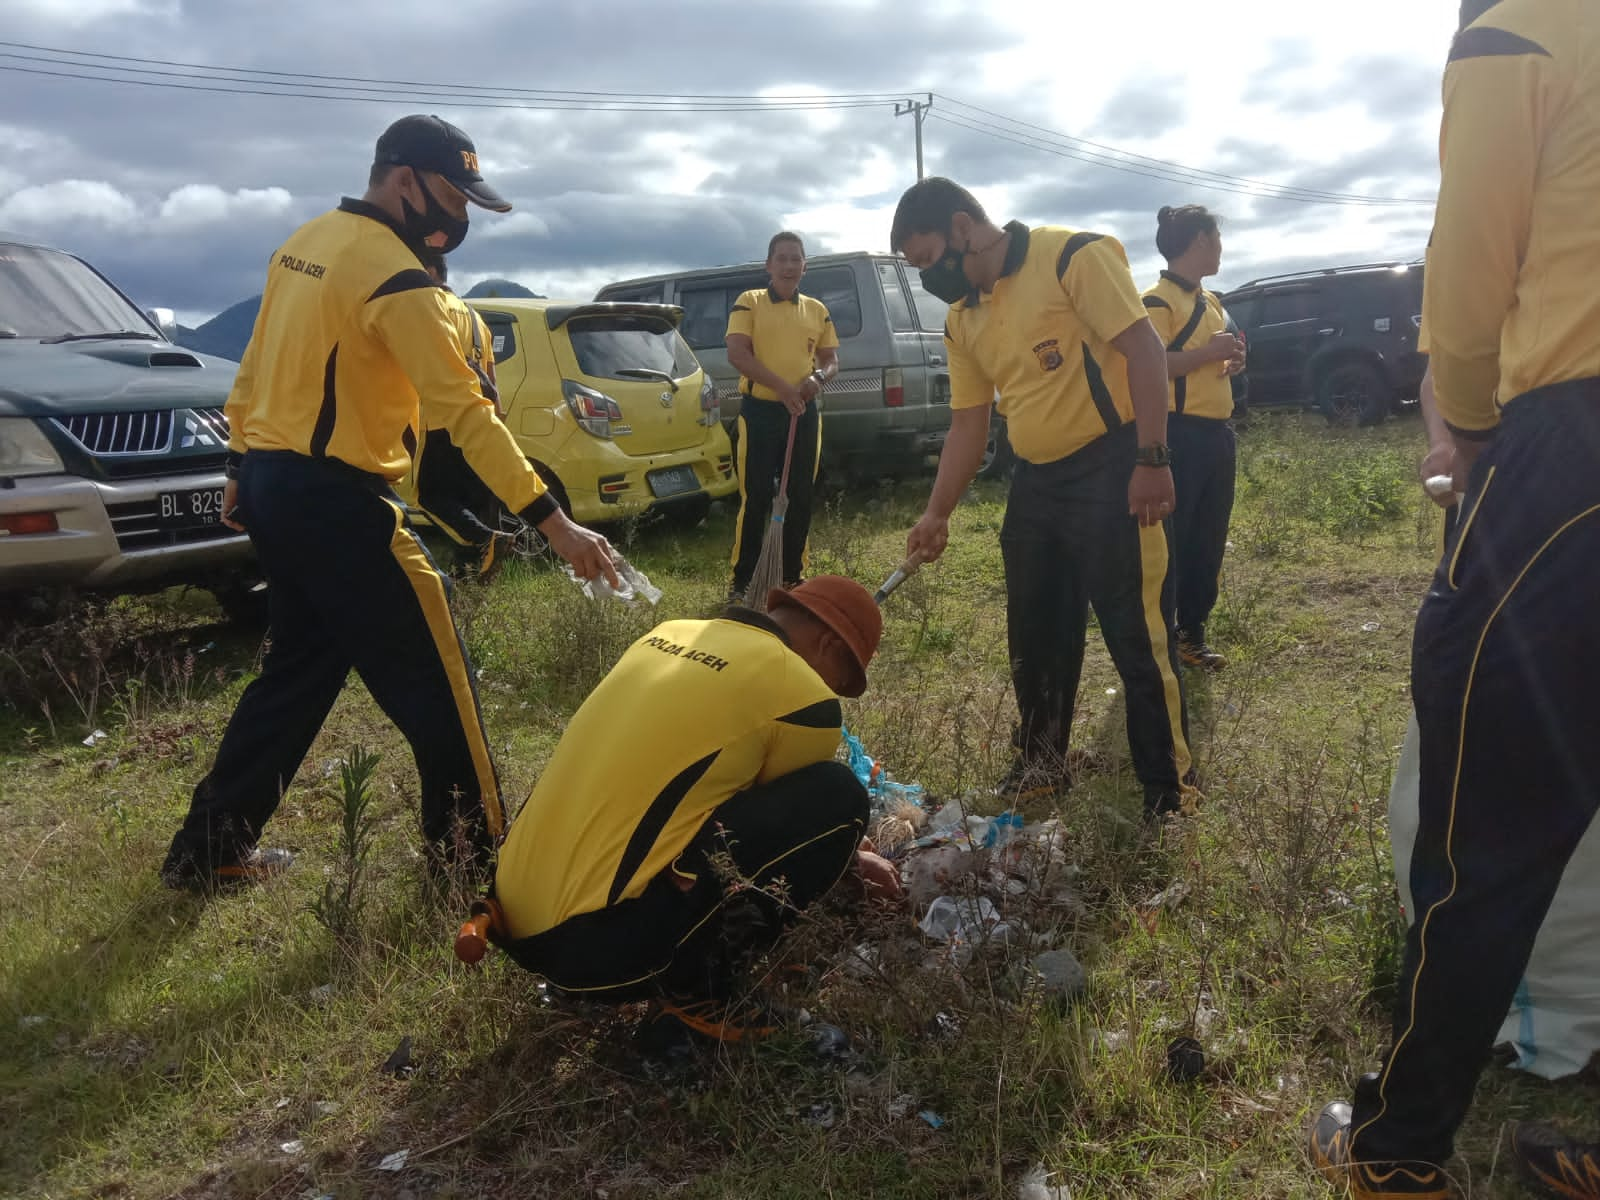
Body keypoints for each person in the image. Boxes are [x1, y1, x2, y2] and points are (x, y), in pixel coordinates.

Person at [159, 114, 617, 892]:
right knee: (441, 684)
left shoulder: (303, 244)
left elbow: (257, 365)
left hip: (276, 485)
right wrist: (555, 521)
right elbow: (468, 416)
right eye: (451, 194)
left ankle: (210, 851)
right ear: (403, 180)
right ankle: (474, 867)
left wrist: (242, 465)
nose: (460, 216)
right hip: (342, 503)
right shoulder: (396, 275)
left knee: (297, 675)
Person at [1310, 2, 1600, 1197]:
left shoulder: (1520, 26)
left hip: (1572, 454)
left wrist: (1465, 436)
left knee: (1482, 822)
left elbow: (1469, 276)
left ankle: (1400, 1143)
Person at [483, 575, 901, 1045]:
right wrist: (851, 854)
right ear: (828, 646)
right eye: (838, 681)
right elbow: (787, 825)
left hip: (508, 919)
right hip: (594, 953)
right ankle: (699, 991)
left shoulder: (666, 634)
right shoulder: (803, 695)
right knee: (840, 796)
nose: (831, 692)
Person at [891, 177, 1194, 816]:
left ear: (962, 228)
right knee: (1036, 632)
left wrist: (1152, 458)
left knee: (1138, 635)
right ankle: (1042, 765)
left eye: (928, 260)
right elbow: (969, 425)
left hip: (1114, 465)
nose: (929, 278)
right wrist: (936, 513)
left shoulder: (1071, 257)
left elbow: (1143, 347)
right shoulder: (962, 317)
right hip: (1035, 481)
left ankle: (1169, 791)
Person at [1141, 205, 1245, 673]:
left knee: (1209, 537)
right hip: (1178, 435)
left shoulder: (1212, 301)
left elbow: (1209, 359)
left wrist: (1230, 359)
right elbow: (1151, 365)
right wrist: (1208, 353)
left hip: (1218, 433)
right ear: (1201, 240)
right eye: (1217, 237)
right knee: (1175, 541)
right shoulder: (1156, 302)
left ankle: (1192, 635)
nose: (1221, 247)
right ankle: (1161, 637)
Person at [724, 232, 840, 603]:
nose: (789, 266)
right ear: (769, 265)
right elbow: (738, 354)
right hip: (760, 412)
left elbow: (831, 359)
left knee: (800, 495)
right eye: (782, 259)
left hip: (803, 413)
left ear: (805, 265)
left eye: (796, 259)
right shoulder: (750, 303)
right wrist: (782, 388)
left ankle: (791, 575)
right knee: (756, 496)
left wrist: (816, 380)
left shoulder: (817, 309)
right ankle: (743, 581)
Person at [413, 247, 515, 582]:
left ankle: (483, 538)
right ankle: (469, 586)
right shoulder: (475, 318)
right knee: (467, 504)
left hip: (439, 419)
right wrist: (496, 423)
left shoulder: (430, 307)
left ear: (428, 271)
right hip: (477, 421)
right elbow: (491, 378)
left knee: (427, 495)